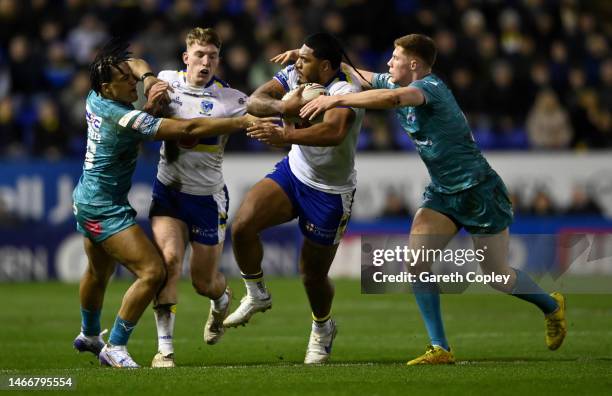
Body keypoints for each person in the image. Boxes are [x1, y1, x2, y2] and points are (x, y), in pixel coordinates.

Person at [296, 33, 567, 364]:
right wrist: (309, 55)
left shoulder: (429, 89)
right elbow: (360, 74)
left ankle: (551, 306)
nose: (388, 63)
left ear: (413, 64)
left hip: (477, 190)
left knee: (496, 275)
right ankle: (440, 347)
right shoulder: (398, 82)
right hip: (442, 192)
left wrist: (336, 101)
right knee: (416, 262)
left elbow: (392, 100)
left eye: (394, 58)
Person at [72, 39, 260, 368]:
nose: (133, 82)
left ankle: (89, 335)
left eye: (132, 78)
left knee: (98, 272)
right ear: (108, 87)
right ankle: (115, 346)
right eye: (126, 81)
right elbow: (187, 128)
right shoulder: (125, 119)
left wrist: (148, 80)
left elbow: (135, 62)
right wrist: (238, 123)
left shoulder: (95, 97)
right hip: (104, 208)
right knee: (153, 271)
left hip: (87, 199)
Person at [224, 32, 364, 364]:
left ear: (326, 66)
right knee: (242, 225)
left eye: (304, 59)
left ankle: (322, 327)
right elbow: (255, 100)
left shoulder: (346, 90)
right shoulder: (295, 76)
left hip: (330, 192)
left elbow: (334, 132)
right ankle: (257, 293)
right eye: (298, 57)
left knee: (311, 275)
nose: (295, 62)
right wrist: (285, 106)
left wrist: (286, 133)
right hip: (294, 173)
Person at [148, 27, 249, 368]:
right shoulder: (165, 82)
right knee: (169, 262)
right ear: (185, 57)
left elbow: (263, 115)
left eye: (213, 56)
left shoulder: (230, 100)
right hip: (169, 192)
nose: (206, 62)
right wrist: (150, 93)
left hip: (206, 198)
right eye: (200, 55)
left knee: (204, 282)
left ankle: (222, 299)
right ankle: (165, 350)